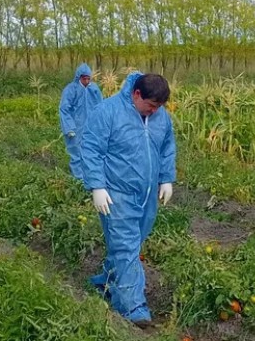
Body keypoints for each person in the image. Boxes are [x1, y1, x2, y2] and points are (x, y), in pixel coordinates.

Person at [81, 72, 176, 326]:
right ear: (136, 94)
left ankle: (108, 280)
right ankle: (132, 307)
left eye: (159, 107)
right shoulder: (108, 112)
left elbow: (167, 146)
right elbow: (91, 149)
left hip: (147, 194)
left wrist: (166, 178)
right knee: (126, 247)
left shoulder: (160, 116)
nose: (155, 111)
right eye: (151, 105)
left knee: (134, 243)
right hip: (117, 194)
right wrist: (97, 186)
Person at [59, 63, 103, 179]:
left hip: (91, 126)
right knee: (76, 152)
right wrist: (69, 128)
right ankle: (78, 179)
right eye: (84, 79)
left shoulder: (94, 89)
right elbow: (64, 109)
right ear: (79, 77)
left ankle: (90, 176)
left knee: (91, 151)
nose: (87, 81)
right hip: (76, 127)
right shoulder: (71, 90)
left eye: (89, 79)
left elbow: (100, 107)